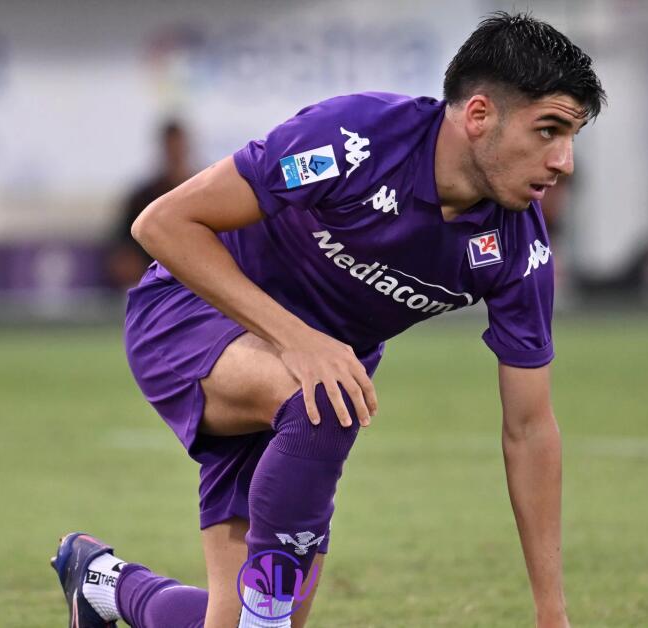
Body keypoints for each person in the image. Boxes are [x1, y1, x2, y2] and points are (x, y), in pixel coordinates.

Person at [52, 12, 604, 628]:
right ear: (479, 116)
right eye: (549, 130)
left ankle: (102, 582)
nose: (565, 162)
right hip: (191, 314)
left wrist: (552, 613)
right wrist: (300, 341)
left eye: (572, 137)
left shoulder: (517, 248)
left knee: (243, 618)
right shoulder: (355, 139)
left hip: (312, 378)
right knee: (326, 400)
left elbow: (529, 430)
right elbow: (161, 225)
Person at [106, 120, 194, 291]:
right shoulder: (141, 197)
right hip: (151, 284)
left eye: (179, 146)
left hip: (197, 284)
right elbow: (122, 254)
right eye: (171, 146)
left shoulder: (201, 192)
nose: (175, 152)